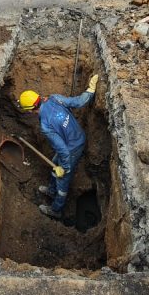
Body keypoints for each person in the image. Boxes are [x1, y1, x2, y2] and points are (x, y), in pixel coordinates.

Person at [18, 75, 98, 218]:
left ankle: (56, 210)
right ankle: (51, 190)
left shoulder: (45, 125)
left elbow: (63, 150)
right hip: (78, 137)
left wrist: (66, 168)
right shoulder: (54, 98)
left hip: (72, 148)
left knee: (62, 179)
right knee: (55, 163)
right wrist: (90, 91)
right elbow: (78, 102)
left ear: (30, 110)